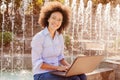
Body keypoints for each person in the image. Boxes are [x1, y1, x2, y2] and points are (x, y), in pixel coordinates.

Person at [31, 1, 87, 80]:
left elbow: (60, 58)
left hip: (55, 72)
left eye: (59, 20)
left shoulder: (59, 37)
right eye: (53, 18)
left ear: (62, 22)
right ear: (48, 19)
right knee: (75, 79)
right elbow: (38, 63)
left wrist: (70, 67)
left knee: (82, 76)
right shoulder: (39, 37)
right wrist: (57, 68)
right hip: (41, 74)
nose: (56, 22)